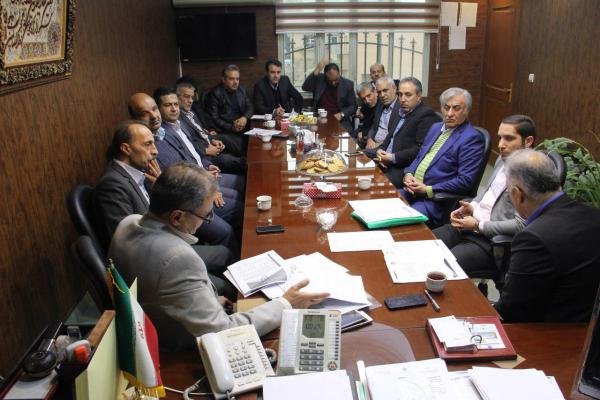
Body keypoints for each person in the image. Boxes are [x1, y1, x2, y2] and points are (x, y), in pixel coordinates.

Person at [108, 163, 329, 351]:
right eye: (205, 215)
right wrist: (286, 303)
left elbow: (164, 293)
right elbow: (223, 332)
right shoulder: (178, 258)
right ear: (177, 217)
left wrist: (208, 302)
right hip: (181, 349)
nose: (207, 221)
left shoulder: (129, 222)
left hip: (151, 325)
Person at [94, 120, 236, 297]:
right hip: (157, 258)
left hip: (167, 240)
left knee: (225, 253)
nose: (155, 151)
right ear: (126, 149)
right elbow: (128, 241)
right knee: (225, 287)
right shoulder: (112, 185)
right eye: (147, 144)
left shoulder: (140, 172)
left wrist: (161, 187)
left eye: (153, 143)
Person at [494, 149, 600, 322]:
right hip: (589, 329)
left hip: (548, 331)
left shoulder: (533, 238)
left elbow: (510, 312)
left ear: (517, 194)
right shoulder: (594, 215)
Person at [127, 92, 239, 253]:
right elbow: (171, 187)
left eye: (154, 109)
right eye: (145, 113)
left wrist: (207, 175)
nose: (153, 116)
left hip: (198, 184)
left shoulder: (165, 133)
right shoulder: (143, 148)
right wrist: (208, 188)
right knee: (228, 227)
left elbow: (190, 159)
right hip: (183, 205)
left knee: (239, 200)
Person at [433, 115, 536, 279]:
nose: (501, 145)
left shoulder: (532, 173)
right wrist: (472, 206)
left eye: (509, 138)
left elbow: (521, 224)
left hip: (490, 241)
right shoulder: (503, 159)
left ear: (528, 141)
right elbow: (488, 191)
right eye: (500, 137)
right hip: (469, 225)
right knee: (425, 245)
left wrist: (479, 225)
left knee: (442, 266)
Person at [399, 87, 485, 227]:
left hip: (435, 201)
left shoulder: (471, 138)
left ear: (467, 110)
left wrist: (428, 190)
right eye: (446, 107)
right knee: (384, 204)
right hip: (411, 190)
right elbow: (420, 156)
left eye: (456, 108)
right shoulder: (435, 127)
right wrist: (409, 174)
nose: (449, 113)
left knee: (401, 222)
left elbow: (465, 181)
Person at [373, 77, 440, 188]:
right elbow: (388, 140)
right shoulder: (401, 111)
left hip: (403, 169)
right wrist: (380, 152)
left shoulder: (426, 115)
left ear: (419, 96)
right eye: (400, 95)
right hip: (384, 162)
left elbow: (420, 150)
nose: (402, 99)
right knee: (359, 169)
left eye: (408, 95)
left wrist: (392, 157)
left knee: (374, 185)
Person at [176, 81, 247, 175]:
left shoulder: (190, 112)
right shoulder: (177, 118)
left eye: (192, 97)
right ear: (177, 97)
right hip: (202, 155)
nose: (190, 101)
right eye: (186, 97)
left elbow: (200, 131)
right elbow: (188, 142)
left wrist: (211, 140)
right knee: (232, 160)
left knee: (231, 140)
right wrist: (206, 150)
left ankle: (249, 156)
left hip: (207, 141)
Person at [206, 65, 254, 157]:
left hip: (243, 127)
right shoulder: (215, 94)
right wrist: (231, 127)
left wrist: (244, 118)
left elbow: (250, 107)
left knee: (258, 142)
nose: (235, 82)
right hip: (226, 131)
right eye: (231, 79)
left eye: (237, 79)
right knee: (245, 149)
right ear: (223, 79)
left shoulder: (242, 90)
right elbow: (214, 118)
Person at [302, 60, 356, 132]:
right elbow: (305, 87)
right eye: (330, 81)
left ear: (339, 74)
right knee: (312, 134)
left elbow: (353, 106)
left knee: (346, 136)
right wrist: (316, 70)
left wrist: (342, 114)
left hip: (340, 120)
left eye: (336, 80)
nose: (333, 83)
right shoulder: (320, 79)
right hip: (320, 119)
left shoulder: (347, 84)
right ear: (325, 75)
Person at [354, 82, 378, 147]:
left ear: (375, 92)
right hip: (364, 130)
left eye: (369, 96)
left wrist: (364, 133)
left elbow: (377, 125)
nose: (367, 100)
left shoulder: (381, 105)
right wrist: (362, 117)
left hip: (374, 134)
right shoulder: (364, 105)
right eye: (363, 99)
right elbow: (365, 122)